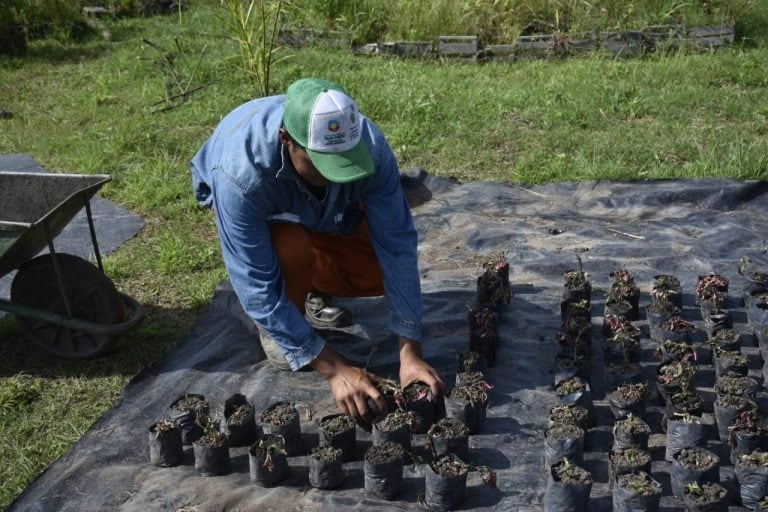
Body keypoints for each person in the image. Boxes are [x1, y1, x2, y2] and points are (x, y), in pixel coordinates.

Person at [190, 77, 444, 427]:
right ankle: (283, 314)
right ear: (286, 140)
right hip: (271, 209)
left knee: (374, 264)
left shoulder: (369, 146)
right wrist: (335, 369)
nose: (336, 175)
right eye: (323, 163)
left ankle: (314, 287)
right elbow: (256, 286)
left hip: (323, 212)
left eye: (345, 163)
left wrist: (410, 353)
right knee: (289, 245)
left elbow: (397, 246)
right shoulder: (240, 177)